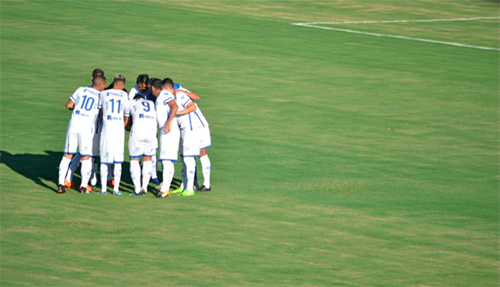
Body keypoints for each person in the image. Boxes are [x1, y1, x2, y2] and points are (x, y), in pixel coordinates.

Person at [57, 76, 107, 194]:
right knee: (85, 157)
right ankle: (83, 186)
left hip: (73, 125)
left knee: (67, 155)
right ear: (101, 86)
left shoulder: (81, 90)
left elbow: (69, 105)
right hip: (86, 128)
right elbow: (101, 111)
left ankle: (60, 184)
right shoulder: (100, 96)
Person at [168, 78, 204, 197]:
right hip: (183, 130)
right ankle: (183, 185)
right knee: (183, 158)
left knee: (188, 158)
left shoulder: (180, 95)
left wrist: (177, 113)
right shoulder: (172, 98)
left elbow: (192, 106)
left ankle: (190, 188)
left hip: (190, 129)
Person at [173, 83, 211, 192]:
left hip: (201, 126)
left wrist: (182, 92)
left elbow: (197, 97)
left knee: (202, 154)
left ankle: (207, 184)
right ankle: (186, 184)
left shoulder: (181, 92)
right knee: (187, 155)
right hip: (190, 128)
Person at [98, 75, 129, 195]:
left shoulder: (104, 93)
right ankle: (116, 189)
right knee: (118, 161)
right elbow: (127, 113)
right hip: (119, 130)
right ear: (122, 85)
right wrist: (124, 124)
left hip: (107, 129)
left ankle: (104, 189)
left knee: (104, 160)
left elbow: (100, 109)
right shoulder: (124, 95)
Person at [128, 74, 160, 185]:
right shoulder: (133, 91)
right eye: (140, 84)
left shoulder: (151, 91)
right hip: (139, 123)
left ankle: (154, 175)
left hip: (150, 123)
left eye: (144, 84)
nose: (142, 87)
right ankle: (142, 176)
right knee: (144, 152)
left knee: (152, 151)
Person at [124, 94, 158, 196]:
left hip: (138, 131)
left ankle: (137, 189)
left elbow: (125, 123)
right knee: (147, 160)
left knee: (134, 160)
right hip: (151, 132)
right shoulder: (151, 103)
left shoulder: (130, 102)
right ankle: (145, 188)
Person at [151, 78, 178, 198]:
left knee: (166, 160)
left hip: (168, 131)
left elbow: (174, 106)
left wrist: (168, 123)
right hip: (169, 131)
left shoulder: (163, 93)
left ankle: (165, 189)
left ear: (153, 87)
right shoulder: (161, 96)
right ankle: (165, 187)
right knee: (168, 160)